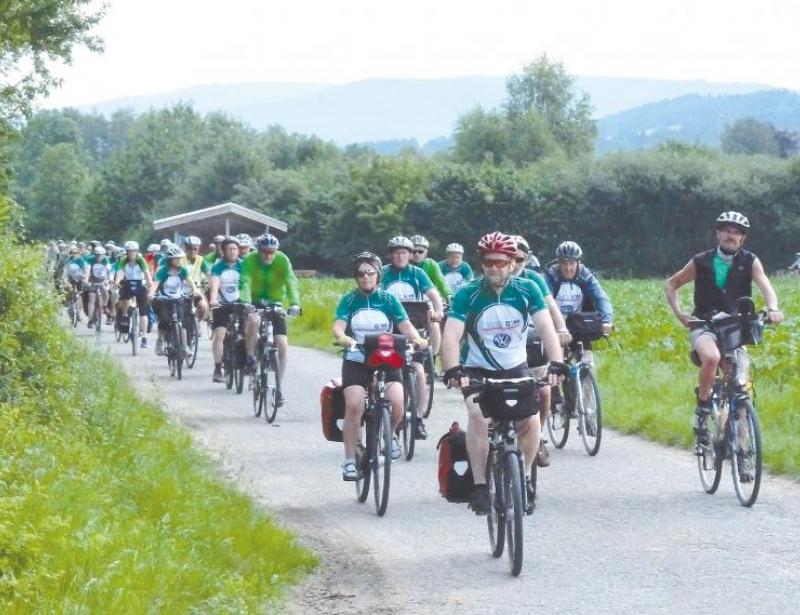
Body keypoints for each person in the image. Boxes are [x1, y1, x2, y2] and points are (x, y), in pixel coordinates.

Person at [441, 232, 565, 515]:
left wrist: (556, 363)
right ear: (481, 263)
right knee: (477, 416)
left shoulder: (527, 289)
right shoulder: (467, 294)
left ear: (512, 263)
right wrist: (452, 369)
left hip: (515, 367)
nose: (494, 268)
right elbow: (450, 336)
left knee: (532, 421)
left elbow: (546, 329)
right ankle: (481, 485)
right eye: (488, 262)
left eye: (500, 262)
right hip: (476, 369)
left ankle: (523, 478)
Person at [665, 211, 782, 462]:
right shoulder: (701, 261)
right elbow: (671, 284)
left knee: (740, 389)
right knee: (712, 357)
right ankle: (703, 405)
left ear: (743, 239)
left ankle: (741, 452)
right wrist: (680, 314)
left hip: (734, 328)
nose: (732, 235)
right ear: (718, 233)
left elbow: (766, 286)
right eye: (727, 230)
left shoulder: (750, 261)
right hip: (704, 324)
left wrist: (772, 308)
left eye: (737, 232)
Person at [332, 252, 425, 480]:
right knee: (354, 404)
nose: (366, 277)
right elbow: (338, 326)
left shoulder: (388, 300)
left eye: (370, 273)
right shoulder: (349, 300)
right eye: (361, 273)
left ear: (378, 275)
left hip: (385, 355)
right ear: (356, 277)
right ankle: (350, 460)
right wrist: (343, 338)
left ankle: (390, 434)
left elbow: (404, 325)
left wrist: (417, 339)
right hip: (356, 358)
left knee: (397, 400)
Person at [511, 235, 571, 468]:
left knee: (545, 392)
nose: (514, 263)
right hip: (502, 349)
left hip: (534, 344)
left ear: (526, 260)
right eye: (511, 258)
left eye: (520, 259)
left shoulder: (534, 280)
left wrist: (562, 328)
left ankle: (539, 436)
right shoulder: (490, 281)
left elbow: (551, 307)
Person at [382, 235, 445, 439]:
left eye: (404, 253)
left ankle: (417, 419)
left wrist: (438, 311)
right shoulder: (382, 273)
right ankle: (381, 411)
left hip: (414, 330)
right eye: (397, 253)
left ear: (410, 255)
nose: (400, 256)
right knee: (385, 374)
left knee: (418, 372)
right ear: (391, 255)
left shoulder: (418, 274)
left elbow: (433, 294)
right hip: (389, 330)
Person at [240, 233, 301, 406]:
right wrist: (245, 302)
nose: (268, 255)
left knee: (282, 344)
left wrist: (295, 304)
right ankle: (251, 355)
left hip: (276, 302)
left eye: (272, 252)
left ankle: (279, 388)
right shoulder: (250, 260)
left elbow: (291, 281)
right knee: (253, 320)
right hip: (254, 301)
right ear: (258, 251)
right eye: (265, 252)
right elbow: (245, 281)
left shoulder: (282, 260)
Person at [544, 240, 614, 368]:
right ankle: (555, 384)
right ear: (558, 263)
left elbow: (601, 298)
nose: (568, 268)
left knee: (588, 365)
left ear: (578, 262)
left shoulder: (586, 276)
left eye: (571, 263)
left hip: (579, 324)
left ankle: (587, 385)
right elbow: (546, 300)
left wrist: (606, 321)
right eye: (564, 263)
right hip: (557, 325)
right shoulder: (550, 276)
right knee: (556, 364)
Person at [148, 245, 198, 357]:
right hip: (164, 300)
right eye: (176, 258)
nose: (179, 261)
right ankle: (160, 341)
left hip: (178, 299)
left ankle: (185, 347)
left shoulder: (182, 270)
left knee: (182, 322)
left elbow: (190, 281)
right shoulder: (163, 271)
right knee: (165, 320)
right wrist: (151, 294)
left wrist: (195, 290)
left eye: (180, 258)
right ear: (170, 260)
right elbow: (155, 284)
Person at [208, 236, 243, 383]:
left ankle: (245, 361)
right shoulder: (217, 266)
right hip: (221, 303)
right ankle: (217, 368)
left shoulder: (244, 265)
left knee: (245, 332)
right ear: (223, 251)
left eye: (235, 249)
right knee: (220, 334)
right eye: (229, 249)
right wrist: (213, 299)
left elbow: (248, 283)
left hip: (240, 303)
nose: (232, 252)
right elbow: (215, 284)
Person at [113, 241, 154, 349]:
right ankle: (125, 314)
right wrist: (117, 281)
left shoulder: (141, 260)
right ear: (126, 252)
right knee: (123, 298)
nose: (131, 254)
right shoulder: (123, 260)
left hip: (140, 283)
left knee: (143, 311)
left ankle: (144, 337)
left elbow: (146, 272)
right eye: (129, 252)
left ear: (137, 251)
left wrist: (150, 283)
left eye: (133, 251)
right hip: (128, 283)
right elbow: (120, 272)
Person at [181, 235, 210, 326]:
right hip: (181, 291)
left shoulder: (201, 260)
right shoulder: (180, 259)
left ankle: (198, 322)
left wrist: (211, 284)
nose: (192, 251)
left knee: (203, 305)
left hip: (196, 290)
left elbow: (209, 274)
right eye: (190, 248)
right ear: (185, 248)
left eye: (195, 249)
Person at [83, 246, 112, 327]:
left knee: (106, 293)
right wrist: (86, 279)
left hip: (103, 280)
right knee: (91, 298)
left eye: (100, 255)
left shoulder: (106, 259)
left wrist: (109, 280)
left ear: (103, 255)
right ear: (94, 255)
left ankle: (105, 306)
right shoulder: (90, 259)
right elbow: (87, 270)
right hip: (92, 280)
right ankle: (90, 320)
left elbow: (108, 271)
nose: (98, 257)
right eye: (97, 255)